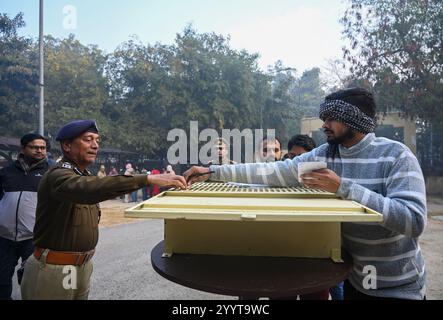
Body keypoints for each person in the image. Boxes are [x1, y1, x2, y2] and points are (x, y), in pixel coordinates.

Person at [185, 87, 427, 300]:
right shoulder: (325, 155)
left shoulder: (397, 156)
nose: (324, 125)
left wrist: (343, 187)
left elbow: (413, 220)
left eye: (331, 118)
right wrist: (212, 172)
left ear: (354, 120)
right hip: (357, 281)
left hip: (399, 287)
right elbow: (272, 172)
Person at [20, 120, 186, 300]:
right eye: (88, 139)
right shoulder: (58, 174)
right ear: (67, 145)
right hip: (55, 267)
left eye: (97, 140)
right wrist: (147, 179)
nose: (95, 145)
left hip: (79, 267)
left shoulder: (83, 174)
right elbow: (89, 188)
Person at [0, 133, 50, 300]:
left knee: (31, 280)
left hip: (34, 238)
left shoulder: (51, 173)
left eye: (42, 148)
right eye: (34, 147)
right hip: (4, 237)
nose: (39, 151)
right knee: (2, 279)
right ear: (23, 148)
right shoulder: (6, 171)